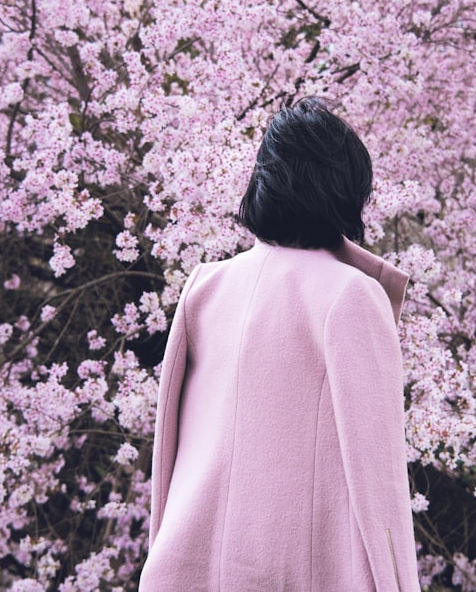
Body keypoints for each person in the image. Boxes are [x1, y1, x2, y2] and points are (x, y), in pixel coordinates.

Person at [139, 97, 420, 591]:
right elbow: (379, 484)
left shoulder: (205, 287)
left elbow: (170, 453)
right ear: (346, 190)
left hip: (186, 569)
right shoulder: (351, 295)